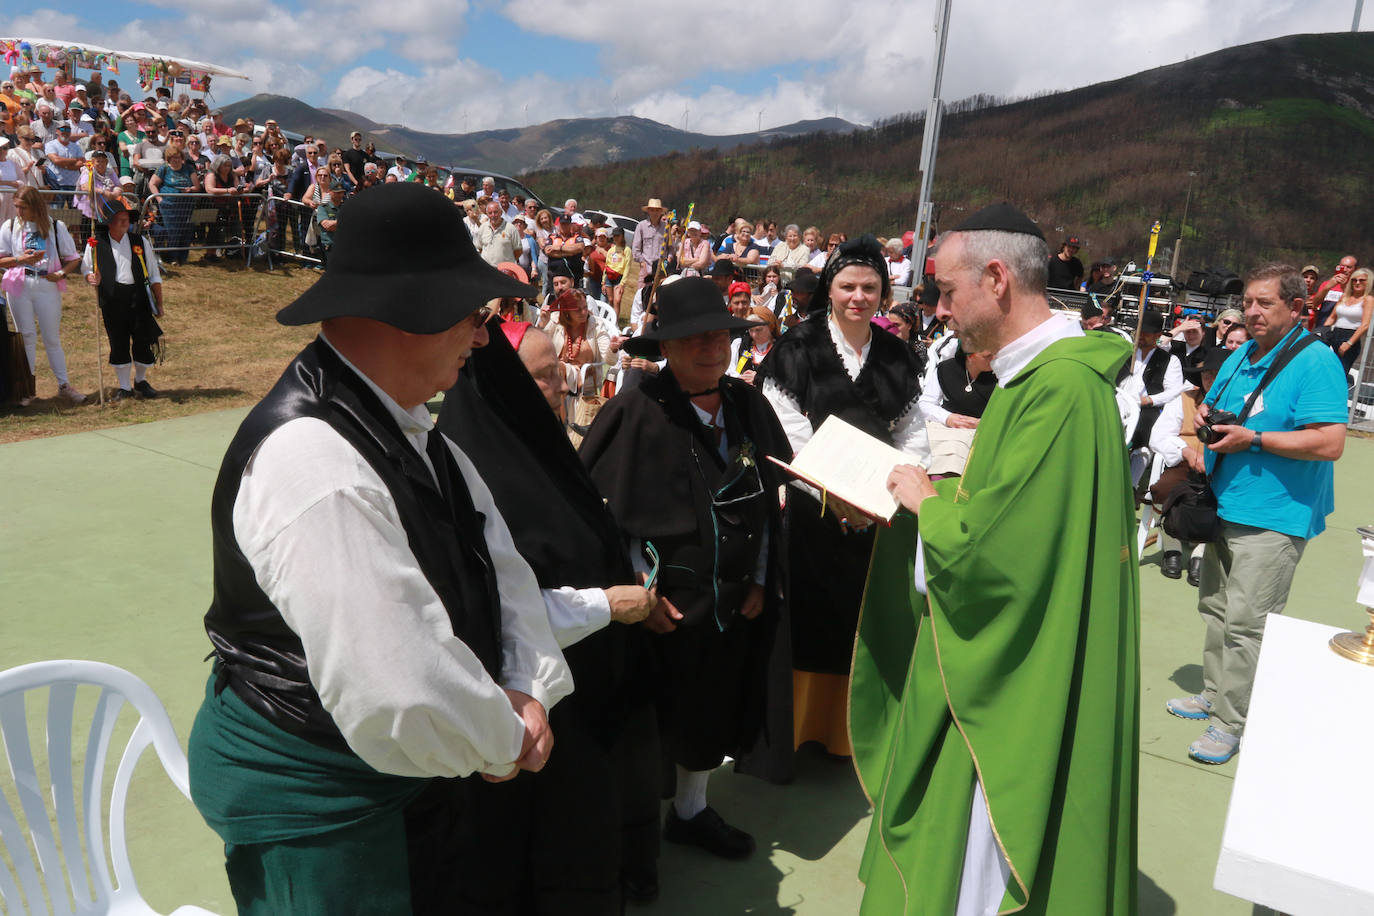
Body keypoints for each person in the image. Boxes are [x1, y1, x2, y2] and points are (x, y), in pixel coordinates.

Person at [186, 182, 573, 914]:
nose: (483, 334)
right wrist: (505, 736)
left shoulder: (411, 430)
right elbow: (397, 686)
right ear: (410, 311)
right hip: (318, 797)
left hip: (396, 778)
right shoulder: (315, 462)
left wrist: (524, 685)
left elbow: (501, 570)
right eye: (472, 314)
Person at [851, 204, 1138, 915]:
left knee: (976, 860)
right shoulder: (1037, 379)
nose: (940, 309)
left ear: (998, 278)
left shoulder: (1060, 389)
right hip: (1026, 643)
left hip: (1012, 673)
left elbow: (996, 560)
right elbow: (1016, 516)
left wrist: (923, 503)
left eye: (947, 292)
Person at [436, 317, 661, 912]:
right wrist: (606, 605)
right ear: (499, 385)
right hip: (530, 702)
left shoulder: (534, 449)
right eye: (539, 378)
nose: (559, 386)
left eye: (558, 371)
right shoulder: (470, 469)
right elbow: (495, 607)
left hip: (583, 691)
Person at [580, 277, 794, 872]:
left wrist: (757, 578)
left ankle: (693, 813)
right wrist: (640, 596)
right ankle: (632, 837)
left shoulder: (747, 403)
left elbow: (765, 499)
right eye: (694, 339)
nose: (711, 349)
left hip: (729, 600)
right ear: (666, 348)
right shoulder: (637, 410)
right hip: (662, 607)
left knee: (710, 709)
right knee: (646, 720)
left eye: (719, 337)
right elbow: (610, 519)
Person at [1166, 263, 1349, 765]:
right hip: (1225, 502)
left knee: (1249, 623)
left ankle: (1232, 722)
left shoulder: (1316, 362)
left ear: (1296, 308)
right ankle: (1213, 694)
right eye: (1248, 301)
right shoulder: (1243, 352)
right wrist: (1204, 421)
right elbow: (1216, 403)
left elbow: (1330, 442)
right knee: (1217, 609)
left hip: (1275, 515)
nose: (1252, 311)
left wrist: (1255, 439)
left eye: (1265, 303)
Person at [756, 236, 924, 758]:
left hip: (877, 515)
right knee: (810, 619)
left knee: (862, 624)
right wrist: (837, 495)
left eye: (869, 287)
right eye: (847, 285)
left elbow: (912, 435)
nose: (858, 296)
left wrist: (882, 496)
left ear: (884, 291)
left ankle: (850, 739)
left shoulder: (898, 354)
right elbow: (786, 430)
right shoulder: (797, 348)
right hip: (813, 509)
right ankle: (800, 731)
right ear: (828, 288)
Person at [0, 186, 86, 405]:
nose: (18, 211)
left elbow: (73, 258)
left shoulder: (56, 226)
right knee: (26, 336)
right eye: (17, 206)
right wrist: (20, 259)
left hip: (47, 284)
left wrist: (61, 273)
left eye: (23, 207)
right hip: (20, 285)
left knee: (52, 338)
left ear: (35, 206)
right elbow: (1, 260)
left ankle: (64, 385)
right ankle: (27, 390)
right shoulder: (8, 227)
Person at [79, 200, 164, 401]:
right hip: (112, 299)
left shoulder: (140, 242)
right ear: (109, 222)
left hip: (139, 297)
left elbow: (154, 274)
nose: (125, 222)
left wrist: (159, 302)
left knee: (143, 340)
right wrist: (91, 277)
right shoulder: (96, 244)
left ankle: (141, 381)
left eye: (126, 218)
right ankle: (124, 387)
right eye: (119, 219)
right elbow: (86, 269)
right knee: (118, 342)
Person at [1320, 266, 1372, 377]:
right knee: (1324, 371)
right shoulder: (1344, 297)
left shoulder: (1368, 299)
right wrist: (1322, 333)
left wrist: (1349, 343)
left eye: (1361, 280)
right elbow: (1332, 317)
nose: (1357, 283)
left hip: (1350, 337)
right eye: (1354, 280)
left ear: (1368, 282)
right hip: (1333, 334)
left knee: (1339, 374)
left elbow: (1365, 325)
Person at [631, 197, 666, 290]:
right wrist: (642, 262)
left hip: (661, 269)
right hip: (646, 267)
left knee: (660, 297)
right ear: (648, 211)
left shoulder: (666, 227)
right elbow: (636, 248)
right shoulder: (641, 226)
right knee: (642, 295)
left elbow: (670, 248)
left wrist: (668, 259)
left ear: (661, 212)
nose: (655, 213)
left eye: (657, 210)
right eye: (652, 210)